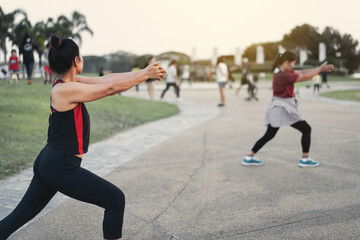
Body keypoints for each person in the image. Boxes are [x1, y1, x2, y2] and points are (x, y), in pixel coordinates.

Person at [0, 35, 166, 240]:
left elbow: (107, 80)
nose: (83, 59)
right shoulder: (65, 90)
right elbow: (110, 89)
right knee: (115, 200)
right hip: (60, 166)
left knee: (15, 220)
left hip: (51, 162)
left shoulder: (69, 82)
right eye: (81, 56)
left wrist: (144, 72)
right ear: (76, 61)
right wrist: (144, 76)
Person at [242, 51, 334, 167]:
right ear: (286, 62)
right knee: (306, 129)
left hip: (278, 105)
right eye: (292, 63)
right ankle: (305, 159)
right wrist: (319, 70)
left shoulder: (279, 71)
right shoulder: (283, 75)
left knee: (269, 134)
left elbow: (301, 72)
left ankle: (249, 157)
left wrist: (319, 68)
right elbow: (304, 77)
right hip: (284, 107)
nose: (293, 66)